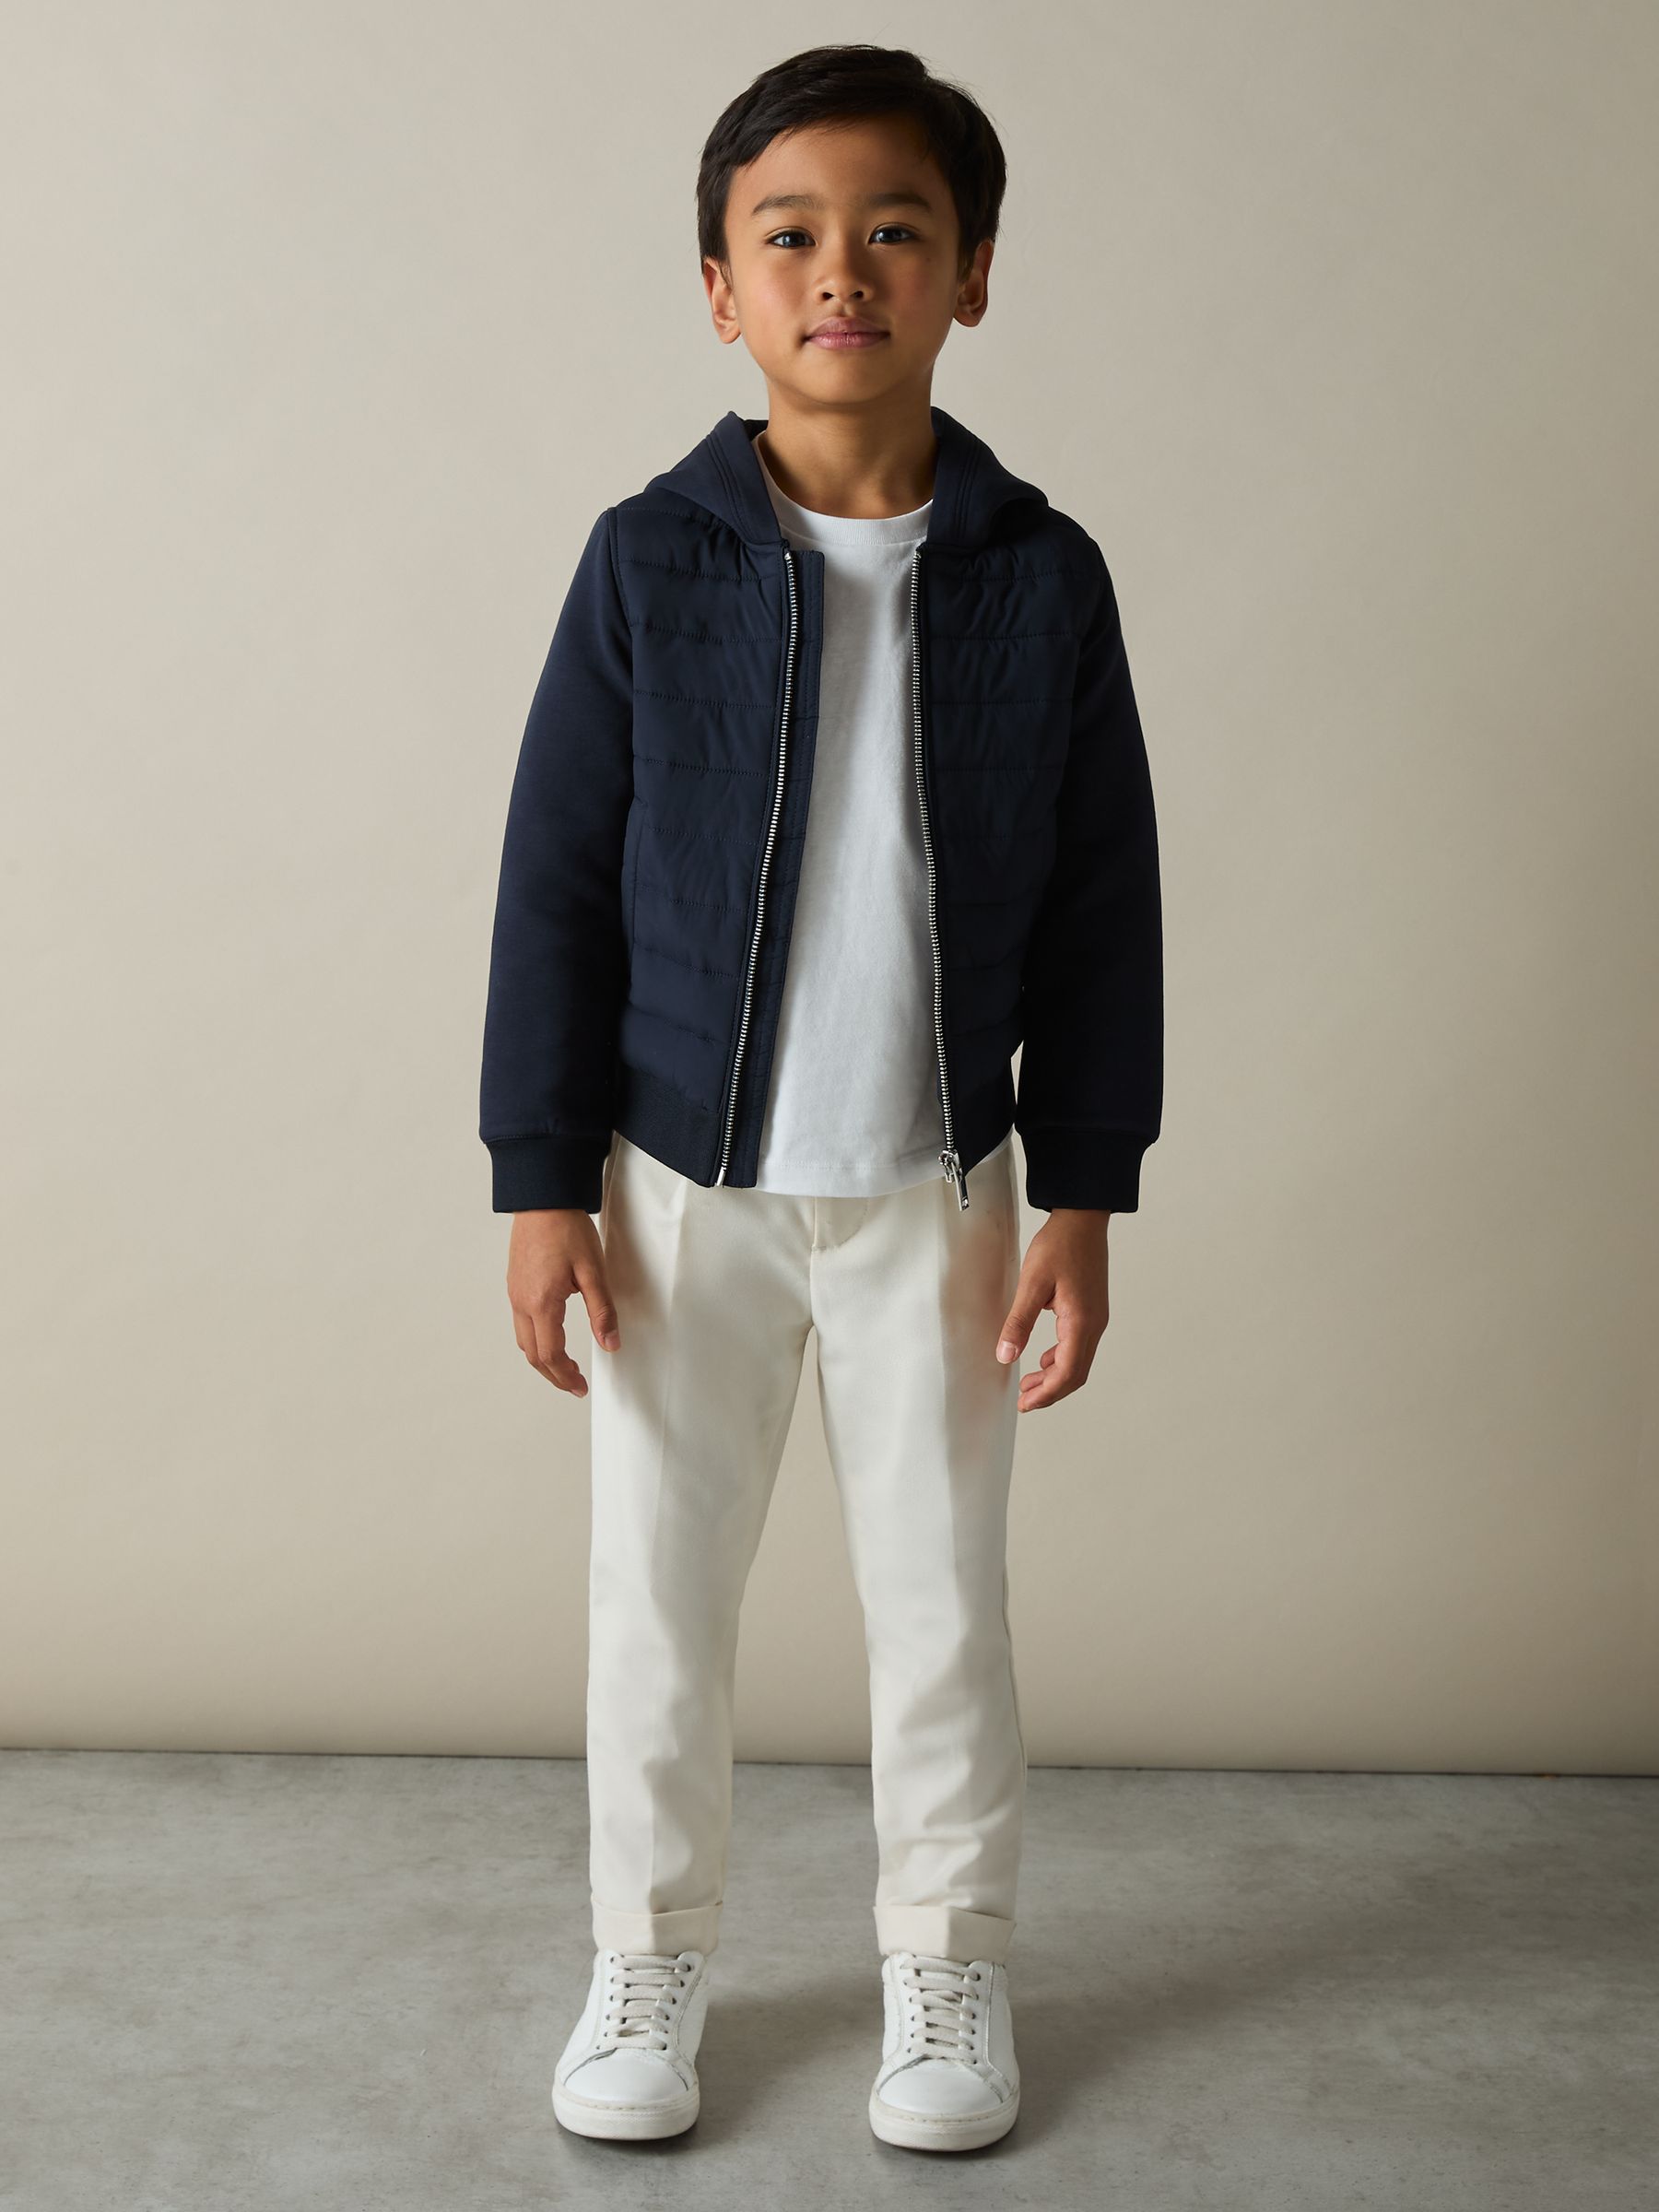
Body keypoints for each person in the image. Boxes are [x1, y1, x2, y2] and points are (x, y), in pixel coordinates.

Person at [478, 41, 1163, 2155]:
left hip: (942, 1189)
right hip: (679, 1185)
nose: (841, 269)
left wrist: (1085, 1192)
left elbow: (1107, 903)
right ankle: (648, 1953)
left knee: (944, 1610)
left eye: (896, 231)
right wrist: (540, 1178)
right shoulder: (646, 561)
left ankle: (947, 1967)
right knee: (657, 1611)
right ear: (721, 286)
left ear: (974, 274)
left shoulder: (1044, 574)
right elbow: (554, 878)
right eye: (789, 235)